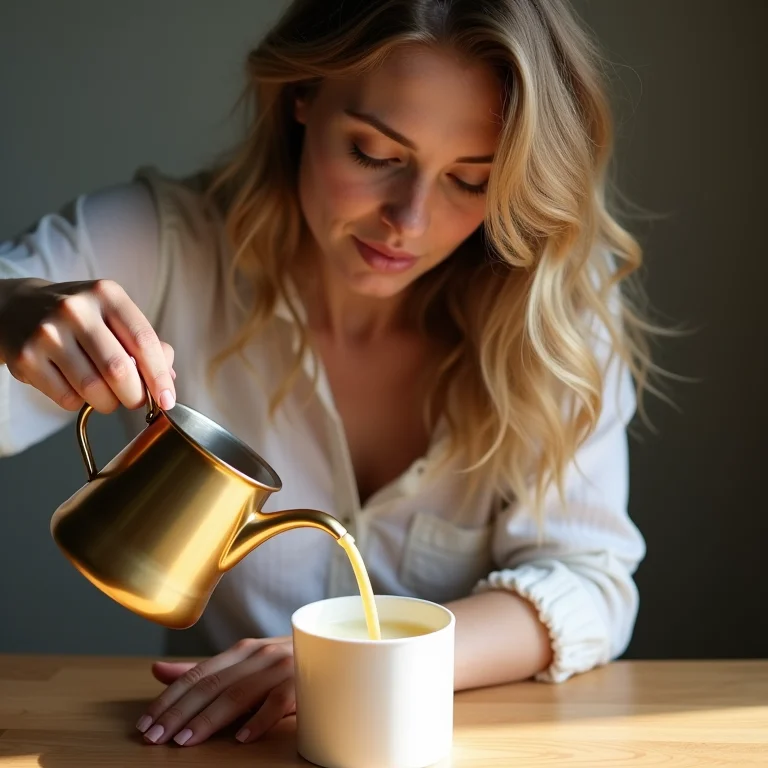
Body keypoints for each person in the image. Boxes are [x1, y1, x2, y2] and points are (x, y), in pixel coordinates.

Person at [0, 0, 654, 749]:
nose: (408, 220)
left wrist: (360, 662)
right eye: (376, 155)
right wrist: (6, 310)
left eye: (471, 181)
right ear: (302, 95)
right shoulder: (161, 245)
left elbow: (589, 582)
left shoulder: (554, 307)